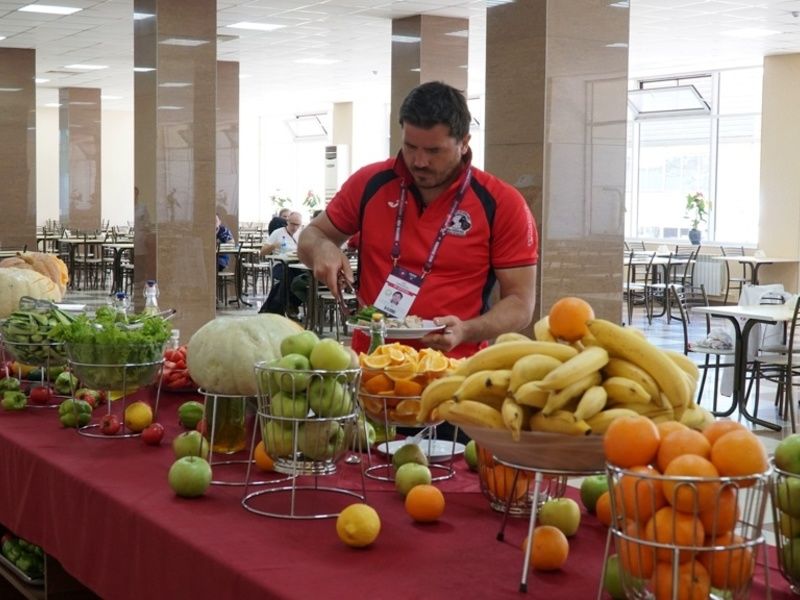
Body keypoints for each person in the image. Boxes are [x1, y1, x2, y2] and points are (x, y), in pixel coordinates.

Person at [297, 81, 538, 358]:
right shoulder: (371, 183)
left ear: (464, 142)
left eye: (434, 151)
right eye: (410, 147)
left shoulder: (501, 203)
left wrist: (467, 329)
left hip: (454, 372)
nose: (419, 161)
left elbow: (520, 303)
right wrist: (322, 247)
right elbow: (311, 235)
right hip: (373, 364)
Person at [259, 212, 304, 317]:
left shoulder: (301, 234)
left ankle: (290, 304)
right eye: (292, 224)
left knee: (304, 278)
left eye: (298, 225)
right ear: (287, 222)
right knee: (288, 276)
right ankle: (284, 306)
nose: (295, 227)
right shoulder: (277, 233)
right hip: (280, 265)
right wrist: (274, 245)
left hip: (297, 265)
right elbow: (262, 252)